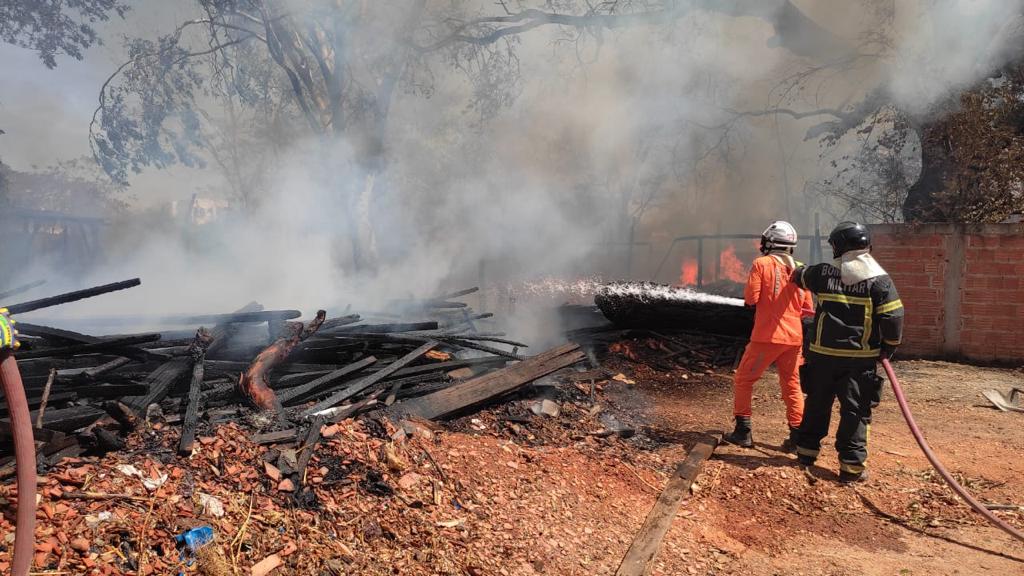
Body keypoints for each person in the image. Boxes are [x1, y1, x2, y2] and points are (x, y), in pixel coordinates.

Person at [791, 221, 904, 483]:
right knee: (855, 412)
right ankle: (851, 468)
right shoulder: (880, 282)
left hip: (821, 358)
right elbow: (894, 318)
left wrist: (790, 262)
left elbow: (799, 276)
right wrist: (888, 347)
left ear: (838, 247)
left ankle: (805, 455)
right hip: (858, 361)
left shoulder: (821, 274)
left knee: (816, 405)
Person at [725, 221, 814, 450]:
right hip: (794, 338)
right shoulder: (802, 268)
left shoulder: (761, 264)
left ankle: (743, 432)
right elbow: (807, 307)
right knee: (792, 384)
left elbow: (751, 299)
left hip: (766, 337)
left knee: (744, 380)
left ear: (770, 243)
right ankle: (797, 438)